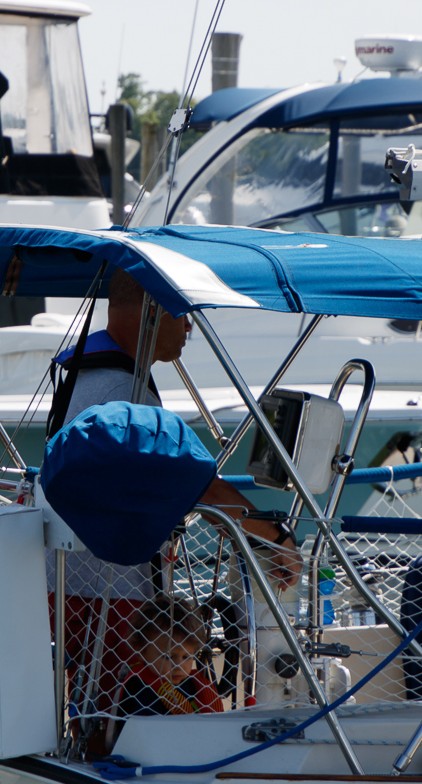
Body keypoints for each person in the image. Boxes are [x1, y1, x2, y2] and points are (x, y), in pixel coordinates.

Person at [48, 268, 301, 717]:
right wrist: (271, 536)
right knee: (128, 712)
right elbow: (190, 481)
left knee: (96, 705)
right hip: (114, 592)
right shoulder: (123, 392)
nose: (189, 327)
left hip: (70, 582)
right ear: (151, 312)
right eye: (182, 313)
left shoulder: (80, 374)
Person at [117, 596, 222, 716]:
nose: (178, 666)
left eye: (186, 657)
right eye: (168, 657)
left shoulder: (193, 686)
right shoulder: (140, 690)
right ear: (142, 651)